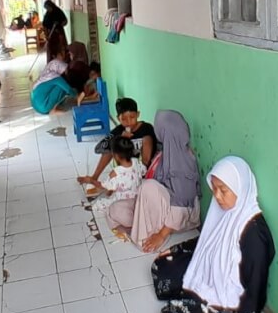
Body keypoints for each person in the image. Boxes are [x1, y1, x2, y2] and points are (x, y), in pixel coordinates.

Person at [150, 157, 275, 313]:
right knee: (160, 267)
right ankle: (193, 298)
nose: (217, 196)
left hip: (228, 297)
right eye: (214, 189)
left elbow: (256, 288)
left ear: (241, 188)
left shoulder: (254, 233)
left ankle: (211, 312)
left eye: (223, 190)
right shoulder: (226, 210)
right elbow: (207, 240)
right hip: (209, 269)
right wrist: (176, 250)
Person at [123, 110, 201, 251]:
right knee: (118, 210)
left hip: (182, 218)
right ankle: (144, 225)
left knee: (148, 187)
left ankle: (146, 237)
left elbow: (182, 206)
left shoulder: (182, 162)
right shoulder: (167, 152)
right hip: (167, 203)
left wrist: (161, 235)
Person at [79, 98, 156, 187]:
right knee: (111, 146)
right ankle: (94, 177)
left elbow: (147, 159)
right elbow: (99, 148)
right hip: (126, 168)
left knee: (146, 139)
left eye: (132, 117)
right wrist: (120, 138)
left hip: (141, 168)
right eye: (124, 119)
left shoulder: (146, 128)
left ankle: (140, 180)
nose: (129, 122)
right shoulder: (119, 130)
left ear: (138, 114)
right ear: (118, 119)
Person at [90, 137, 147, 215]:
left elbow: (106, 187)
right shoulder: (136, 162)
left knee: (99, 204)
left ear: (115, 155)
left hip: (121, 201)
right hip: (137, 198)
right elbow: (144, 171)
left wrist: (91, 181)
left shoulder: (116, 172)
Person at [30, 43, 75, 114]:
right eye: (63, 70)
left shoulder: (45, 75)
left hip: (36, 107)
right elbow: (68, 89)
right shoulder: (55, 77)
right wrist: (77, 95)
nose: (63, 73)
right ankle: (53, 109)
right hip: (43, 107)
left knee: (59, 86)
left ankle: (51, 107)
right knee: (63, 86)